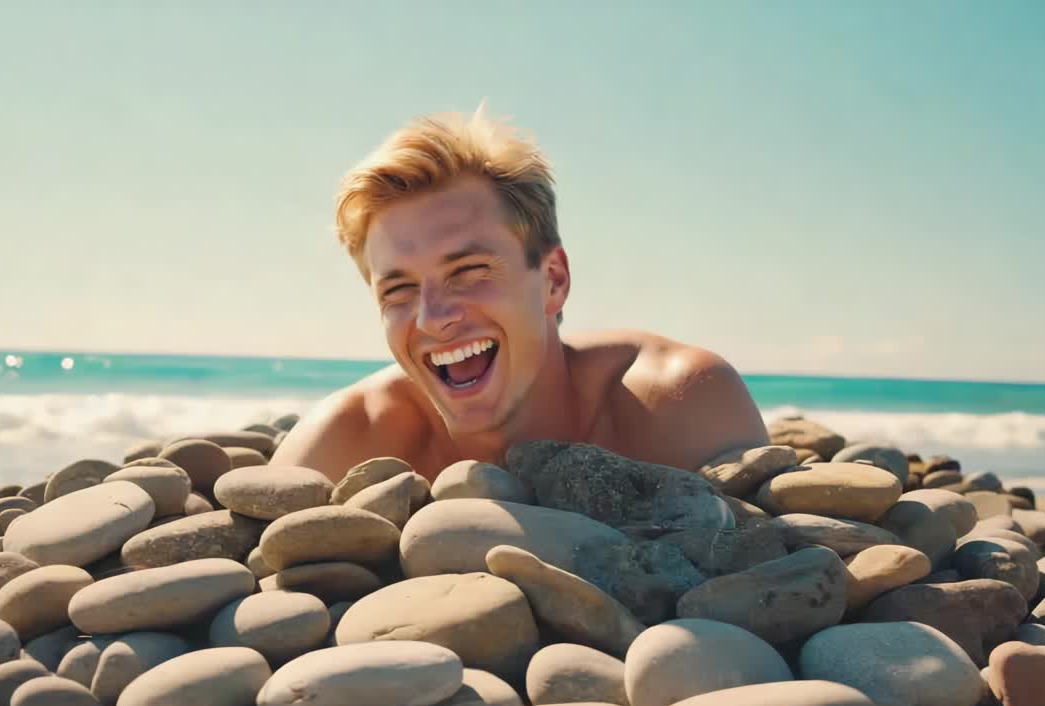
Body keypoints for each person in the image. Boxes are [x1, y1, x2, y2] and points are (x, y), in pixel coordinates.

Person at [271, 104, 769, 482]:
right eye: (398, 289)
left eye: (467, 271)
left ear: (553, 279)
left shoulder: (676, 406)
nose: (431, 318)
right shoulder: (347, 445)